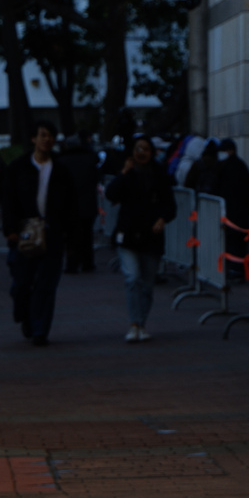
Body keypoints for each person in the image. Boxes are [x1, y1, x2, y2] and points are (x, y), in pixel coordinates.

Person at [3, 120, 78, 345]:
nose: (47, 140)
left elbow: (71, 205)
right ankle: (25, 313)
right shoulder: (18, 168)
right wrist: (10, 229)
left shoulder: (61, 170)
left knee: (46, 284)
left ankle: (39, 329)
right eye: (43, 135)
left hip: (52, 233)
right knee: (21, 282)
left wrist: (70, 236)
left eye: (51, 136)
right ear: (34, 138)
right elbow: (8, 200)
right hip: (25, 233)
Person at [104, 134, 178, 342]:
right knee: (132, 277)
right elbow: (111, 194)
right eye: (138, 148)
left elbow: (170, 205)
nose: (142, 153)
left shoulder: (159, 174)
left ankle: (141, 323)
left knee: (147, 284)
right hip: (128, 234)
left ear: (152, 152)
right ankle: (134, 323)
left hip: (151, 236)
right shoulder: (128, 174)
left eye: (146, 149)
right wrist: (123, 173)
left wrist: (162, 219)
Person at [213, 138, 249, 280]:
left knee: (234, 242)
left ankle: (237, 269)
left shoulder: (228, 167)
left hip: (234, 212)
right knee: (236, 242)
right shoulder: (236, 166)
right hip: (237, 212)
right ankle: (238, 269)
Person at [57, 132, 101, 273]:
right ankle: (88, 263)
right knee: (87, 234)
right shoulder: (90, 158)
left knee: (71, 237)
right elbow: (95, 178)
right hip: (88, 202)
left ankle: (72, 264)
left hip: (69, 205)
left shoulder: (61, 160)